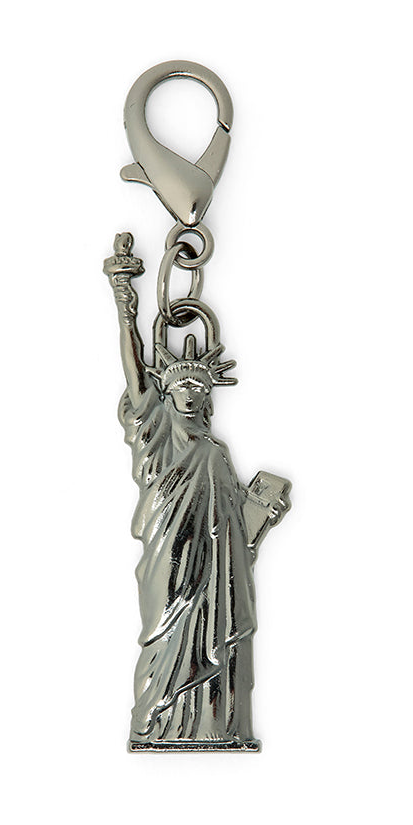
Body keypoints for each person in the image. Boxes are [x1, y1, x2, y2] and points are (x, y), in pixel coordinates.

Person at [105, 234, 288, 749]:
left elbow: (234, 533)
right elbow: (135, 374)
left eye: (199, 387)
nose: (189, 393)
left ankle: (215, 725)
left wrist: (262, 513)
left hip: (213, 573)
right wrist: (125, 304)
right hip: (168, 560)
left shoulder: (216, 452)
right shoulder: (155, 434)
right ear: (165, 391)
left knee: (215, 634)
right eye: (181, 385)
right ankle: (154, 723)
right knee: (165, 633)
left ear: (208, 396)